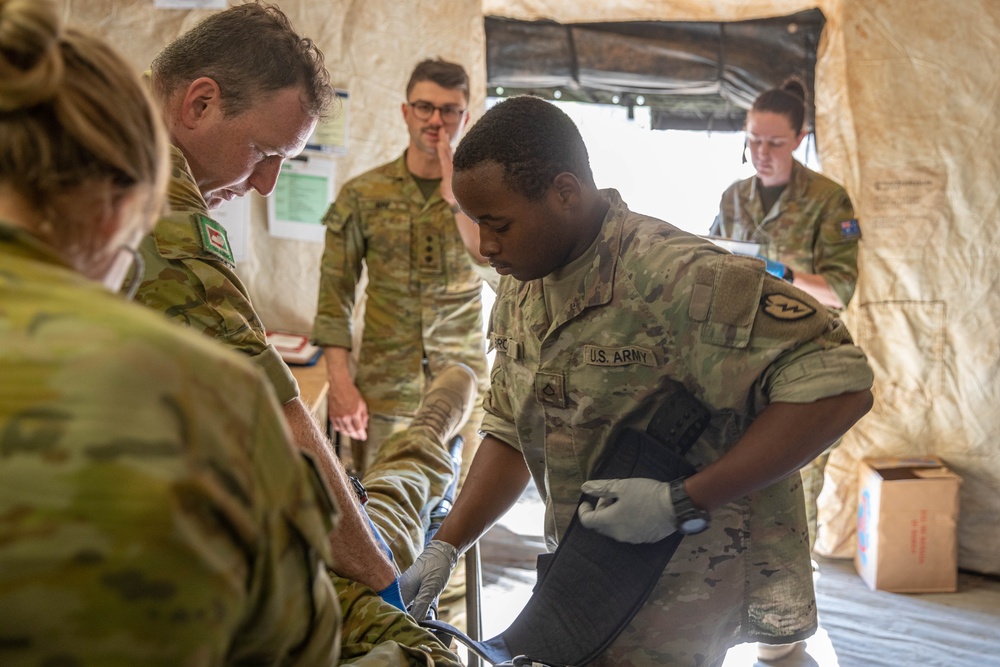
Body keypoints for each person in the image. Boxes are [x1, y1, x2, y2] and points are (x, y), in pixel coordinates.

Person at [400, 95, 875, 666]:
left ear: (566, 194)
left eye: (497, 224)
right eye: (475, 223)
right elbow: (509, 428)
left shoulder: (682, 279)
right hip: (584, 581)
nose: (485, 246)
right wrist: (447, 544)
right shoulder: (524, 286)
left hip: (678, 592)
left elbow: (842, 385)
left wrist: (684, 500)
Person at [0, 2, 343, 662]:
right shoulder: (215, 401)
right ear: (123, 209)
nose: (266, 182)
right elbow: (303, 642)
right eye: (264, 153)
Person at [127, 0, 403, 607]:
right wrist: (383, 581)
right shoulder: (154, 197)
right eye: (263, 151)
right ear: (199, 104)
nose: (265, 183)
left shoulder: (91, 119)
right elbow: (277, 422)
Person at [709, 77, 861, 609]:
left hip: (805, 366)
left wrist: (781, 273)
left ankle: (789, 612)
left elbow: (842, 290)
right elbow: (709, 266)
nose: (761, 153)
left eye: (774, 142)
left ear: (799, 139)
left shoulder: (828, 200)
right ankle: (736, 603)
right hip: (739, 365)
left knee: (796, 490)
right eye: (753, 140)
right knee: (735, 481)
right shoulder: (734, 196)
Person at [312, 58, 489, 480]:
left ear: (465, 117)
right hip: (384, 393)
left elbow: (491, 263)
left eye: (450, 110)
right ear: (405, 112)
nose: (436, 120)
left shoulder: (485, 199)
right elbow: (334, 295)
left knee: (455, 525)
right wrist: (340, 382)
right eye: (424, 107)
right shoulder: (363, 194)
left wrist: (455, 197)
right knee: (382, 520)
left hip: (461, 393)